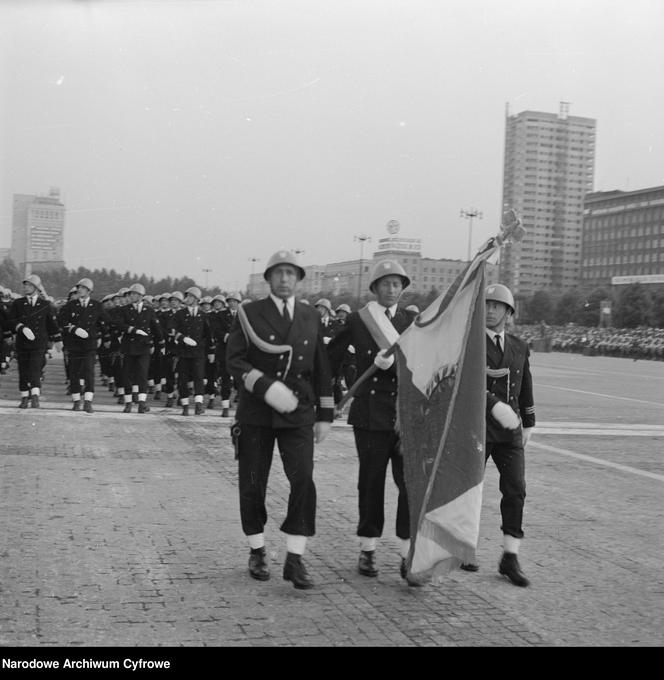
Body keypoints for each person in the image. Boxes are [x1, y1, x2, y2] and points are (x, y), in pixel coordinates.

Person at [226, 249, 334, 590]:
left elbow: (321, 366)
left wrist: (326, 414)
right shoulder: (248, 313)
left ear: (299, 280)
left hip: (298, 412)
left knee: (303, 479)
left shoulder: (309, 315)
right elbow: (235, 360)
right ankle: (257, 549)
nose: (285, 279)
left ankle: (295, 556)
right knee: (253, 483)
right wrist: (266, 387)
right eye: (279, 273)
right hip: (258, 411)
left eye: (291, 273)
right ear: (268, 278)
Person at [327, 260, 413, 581]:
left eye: (397, 284)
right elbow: (331, 360)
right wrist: (327, 399)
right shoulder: (358, 320)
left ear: (403, 288)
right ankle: (368, 549)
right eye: (385, 284)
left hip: (404, 416)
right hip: (369, 415)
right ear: (375, 288)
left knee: (409, 485)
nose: (391, 290)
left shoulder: (412, 321)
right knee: (371, 482)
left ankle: (408, 552)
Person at [461, 283, 535, 587]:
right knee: (471, 490)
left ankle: (510, 555)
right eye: (487, 305)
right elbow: (467, 382)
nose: (490, 310)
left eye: (496, 306)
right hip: (478, 426)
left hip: (510, 430)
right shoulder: (472, 343)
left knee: (516, 489)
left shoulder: (518, 345)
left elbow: (525, 383)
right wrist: (495, 407)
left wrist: (528, 420)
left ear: (508, 312)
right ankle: (464, 546)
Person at [8, 274, 62, 408]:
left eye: (29, 285)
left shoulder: (45, 305)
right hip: (22, 343)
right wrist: (20, 327)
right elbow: (10, 321)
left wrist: (57, 339)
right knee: (23, 370)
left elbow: (51, 324)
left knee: (35, 369)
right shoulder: (18, 303)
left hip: (38, 343)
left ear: (36, 288)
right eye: (25, 285)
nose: (26, 287)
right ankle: (24, 397)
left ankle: (35, 395)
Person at [57, 278, 111, 413]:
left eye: (82, 288)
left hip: (89, 345)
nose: (79, 290)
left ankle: (88, 401)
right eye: (78, 288)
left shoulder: (97, 305)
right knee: (74, 373)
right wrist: (71, 328)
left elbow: (104, 322)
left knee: (89, 372)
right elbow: (61, 321)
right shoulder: (71, 305)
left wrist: (104, 336)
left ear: (88, 290)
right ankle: (76, 401)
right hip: (74, 345)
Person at [115, 283, 163, 413]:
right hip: (129, 346)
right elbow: (119, 324)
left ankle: (142, 402)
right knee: (127, 375)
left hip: (143, 347)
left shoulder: (149, 311)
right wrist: (131, 329)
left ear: (141, 296)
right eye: (131, 294)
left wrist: (161, 343)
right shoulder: (124, 309)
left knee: (142, 375)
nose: (131, 296)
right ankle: (128, 402)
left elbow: (156, 328)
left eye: (134, 294)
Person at [171, 286, 213, 416]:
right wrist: (182, 338)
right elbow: (171, 330)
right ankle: (184, 405)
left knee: (198, 378)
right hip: (183, 351)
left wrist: (211, 351)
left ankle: (199, 405)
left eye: (189, 296)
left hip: (198, 352)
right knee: (182, 379)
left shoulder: (203, 315)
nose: (186, 299)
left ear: (196, 299)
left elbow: (208, 334)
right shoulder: (180, 314)